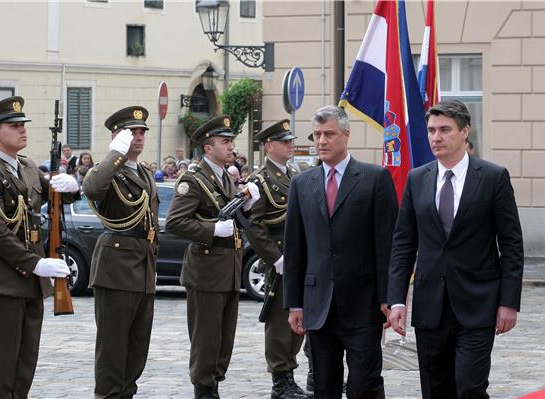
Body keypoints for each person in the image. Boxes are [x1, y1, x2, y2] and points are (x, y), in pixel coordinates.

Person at [388, 100, 524, 399]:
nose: (436, 137)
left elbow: (512, 244)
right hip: (430, 306)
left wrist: (509, 301)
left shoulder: (492, 177)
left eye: (445, 130)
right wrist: (397, 298)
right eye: (431, 130)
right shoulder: (417, 178)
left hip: (478, 303)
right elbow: (403, 243)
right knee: (436, 390)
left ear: (465, 132)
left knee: (470, 389)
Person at [283, 105, 398, 399]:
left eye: (329, 134)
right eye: (317, 134)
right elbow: (295, 247)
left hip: (363, 305)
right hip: (318, 305)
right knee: (324, 387)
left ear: (346, 135)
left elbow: (388, 245)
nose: (321, 141)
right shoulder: (301, 184)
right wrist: (294, 303)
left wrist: (390, 297)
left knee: (364, 385)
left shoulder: (374, 179)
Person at [0, 96, 79, 398]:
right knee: (3, 368)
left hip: (31, 284)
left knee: (24, 367)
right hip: (1, 282)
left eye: (23, 125)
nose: (22, 130)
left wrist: (72, 187)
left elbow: (53, 193)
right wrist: (35, 263)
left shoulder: (29, 167)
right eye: (14, 125)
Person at [165, 115, 259, 399]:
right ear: (208, 148)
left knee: (223, 340)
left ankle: (213, 384)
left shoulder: (224, 178)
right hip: (205, 271)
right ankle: (204, 390)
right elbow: (174, 222)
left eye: (231, 141)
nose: (231, 147)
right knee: (206, 340)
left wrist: (249, 206)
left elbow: (235, 220)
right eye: (224, 142)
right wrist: (211, 230)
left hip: (228, 270)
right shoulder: (194, 180)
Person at [82, 106, 159, 399]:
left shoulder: (144, 172)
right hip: (116, 268)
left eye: (141, 132)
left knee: (137, 347)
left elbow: (151, 222)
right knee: (113, 348)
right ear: (116, 136)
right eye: (131, 132)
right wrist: (116, 153)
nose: (138, 137)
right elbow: (91, 187)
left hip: (142, 266)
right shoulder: (108, 170)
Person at [243, 119, 309, 399]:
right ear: (269, 146)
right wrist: (276, 259)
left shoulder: (294, 173)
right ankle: (280, 381)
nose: (290, 145)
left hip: (300, 257)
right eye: (285, 142)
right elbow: (254, 225)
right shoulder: (260, 180)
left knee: (298, 319)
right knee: (281, 321)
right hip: (281, 258)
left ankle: (290, 377)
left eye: (290, 141)